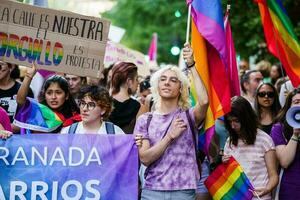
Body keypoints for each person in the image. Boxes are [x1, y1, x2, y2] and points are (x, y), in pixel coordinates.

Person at [134, 43, 209, 199]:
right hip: (152, 190)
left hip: (184, 190)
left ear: (181, 88)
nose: (167, 82)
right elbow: (145, 158)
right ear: (157, 85)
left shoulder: (189, 116)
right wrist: (170, 136)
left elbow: (204, 102)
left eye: (173, 80)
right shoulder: (144, 120)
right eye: (163, 79)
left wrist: (191, 65)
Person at [223, 96, 278, 200]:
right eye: (230, 122)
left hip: (260, 197)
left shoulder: (264, 140)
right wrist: (225, 163)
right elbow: (229, 175)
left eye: (236, 121)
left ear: (246, 118)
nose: (233, 126)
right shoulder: (229, 141)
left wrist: (267, 189)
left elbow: (274, 176)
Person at [16, 64, 80, 132]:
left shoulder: (76, 117)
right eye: (49, 93)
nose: (53, 97)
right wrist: (28, 76)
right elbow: (20, 100)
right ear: (44, 95)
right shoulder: (38, 112)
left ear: (66, 95)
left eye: (58, 92)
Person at [270, 88, 300, 200]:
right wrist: (295, 135)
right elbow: (285, 162)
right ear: (289, 106)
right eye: (296, 102)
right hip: (291, 189)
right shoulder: (278, 128)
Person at [109, 62, 148, 133]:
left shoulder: (103, 102)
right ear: (129, 82)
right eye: (136, 79)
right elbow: (139, 136)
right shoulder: (140, 108)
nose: (138, 83)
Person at [0, 61, 34, 133]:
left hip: (20, 140)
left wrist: (6, 127)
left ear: (11, 67)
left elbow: (31, 120)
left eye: (0, 65)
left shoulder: (24, 89)